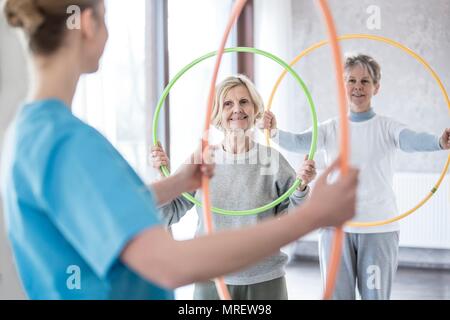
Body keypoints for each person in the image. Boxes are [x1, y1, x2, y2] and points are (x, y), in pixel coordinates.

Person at [0, 0, 359, 300]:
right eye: (107, 20)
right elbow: (169, 265)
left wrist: (177, 182)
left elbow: (103, 211)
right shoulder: (71, 143)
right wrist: (312, 217)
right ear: (89, 24)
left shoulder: (29, 133)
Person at [261, 53, 450, 300]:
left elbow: (412, 139)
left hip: (379, 227)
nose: (358, 87)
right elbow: (298, 141)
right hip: (335, 227)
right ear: (343, 85)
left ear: (376, 87)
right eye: (351, 81)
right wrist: (272, 131)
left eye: (365, 81)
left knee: (375, 296)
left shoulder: (388, 127)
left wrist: (439, 141)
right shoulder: (331, 128)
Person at [151, 75, 317, 300]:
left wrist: (301, 188)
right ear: (218, 113)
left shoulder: (272, 160)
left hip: (264, 280)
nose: (237, 109)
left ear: (254, 108)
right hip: (209, 277)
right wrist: (163, 180)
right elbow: (166, 216)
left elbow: (298, 221)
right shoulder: (201, 160)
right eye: (228, 104)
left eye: (244, 102)